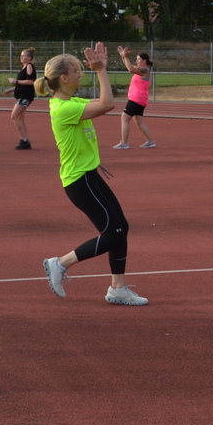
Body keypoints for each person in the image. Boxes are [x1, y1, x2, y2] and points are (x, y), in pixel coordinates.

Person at [38, 44, 147, 306]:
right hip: (79, 181)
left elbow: (102, 103)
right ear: (64, 78)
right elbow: (108, 104)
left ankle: (118, 288)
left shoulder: (72, 102)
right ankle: (60, 263)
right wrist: (101, 70)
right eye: (76, 71)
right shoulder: (63, 109)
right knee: (114, 231)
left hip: (89, 176)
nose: (80, 74)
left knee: (121, 228)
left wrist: (101, 70)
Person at [113, 47, 156, 149]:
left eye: (138, 59)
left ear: (144, 60)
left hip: (136, 99)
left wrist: (126, 57)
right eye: (136, 60)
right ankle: (150, 141)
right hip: (140, 99)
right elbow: (129, 66)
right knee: (139, 122)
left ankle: (124, 142)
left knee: (124, 118)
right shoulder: (140, 70)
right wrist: (123, 57)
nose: (137, 61)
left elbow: (130, 69)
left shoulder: (145, 70)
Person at [5, 47, 37, 149]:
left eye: (24, 56)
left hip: (25, 96)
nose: (22, 57)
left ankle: (24, 140)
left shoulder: (29, 67)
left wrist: (15, 81)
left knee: (14, 116)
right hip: (22, 95)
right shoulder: (24, 68)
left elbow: (30, 82)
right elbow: (22, 84)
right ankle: (25, 140)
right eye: (21, 55)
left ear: (29, 58)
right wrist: (12, 89)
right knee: (20, 118)